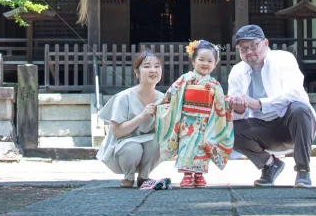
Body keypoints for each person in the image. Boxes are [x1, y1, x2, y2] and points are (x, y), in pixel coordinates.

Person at [227, 24, 316, 188]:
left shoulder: (284, 59)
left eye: (253, 46)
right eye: (243, 49)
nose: (249, 52)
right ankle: (270, 165)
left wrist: (259, 104)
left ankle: (303, 171)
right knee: (230, 129)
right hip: (262, 130)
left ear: (265, 43)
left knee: (299, 108)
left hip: (292, 124)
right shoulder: (236, 71)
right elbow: (238, 114)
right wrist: (239, 108)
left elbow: (294, 92)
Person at [156, 40, 234, 188]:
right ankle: (187, 175)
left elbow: (220, 104)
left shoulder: (214, 84)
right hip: (187, 120)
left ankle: (199, 174)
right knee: (186, 145)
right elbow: (171, 93)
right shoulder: (185, 79)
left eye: (210, 61)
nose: (205, 63)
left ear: (215, 64)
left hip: (206, 121)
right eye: (201, 59)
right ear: (193, 61)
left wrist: (229, 103)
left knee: (201, 147)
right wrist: (159, 105)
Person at [96, 49, 164, 188]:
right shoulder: (124, 97)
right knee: (133, 147)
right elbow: (117, 132)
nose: (153, 70)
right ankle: (128, 176)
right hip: (124, 146)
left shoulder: (163, 99)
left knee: (159, 142)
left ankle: (144, 177)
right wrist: (142, 116)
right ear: (137, 72)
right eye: (147, 66)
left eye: (157, 66)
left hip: (148, 147)